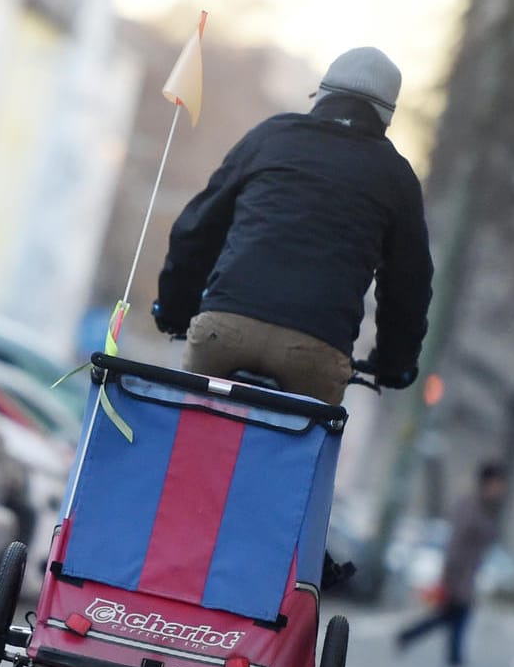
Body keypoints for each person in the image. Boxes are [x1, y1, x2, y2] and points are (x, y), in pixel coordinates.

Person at [152, 47, 433, 405]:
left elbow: (198, 229)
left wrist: (175, 308)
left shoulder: (271, 138)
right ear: (385, 118)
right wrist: (394, 363)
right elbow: (408, 286)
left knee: (192, 434)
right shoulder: (397, 177)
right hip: (315, 351)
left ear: (322, 95)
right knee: (298, 449)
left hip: (225, 329)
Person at [397, 463, 508, 667]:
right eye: (498, 484)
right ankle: (453, 658)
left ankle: (417, 641)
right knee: (456, 613)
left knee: (449, 615)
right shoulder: (470, 506)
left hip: (468, 574)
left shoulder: (487, 508)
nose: (500, 489)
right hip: (459, 573)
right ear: (487, 482)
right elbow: (457, 543)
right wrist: (449, 577)